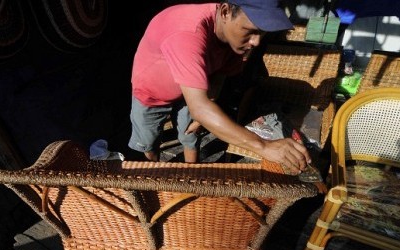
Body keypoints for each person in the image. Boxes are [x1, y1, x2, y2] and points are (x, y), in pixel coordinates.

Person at [128, 0, 311, 174]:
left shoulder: (234, 40)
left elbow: (219, 75)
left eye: (262, 32)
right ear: (225, 12)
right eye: (251, 31)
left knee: (191, 136)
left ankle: (194, 177)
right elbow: (200, 108)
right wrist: (263, 145)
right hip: (152, 94)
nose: (256, 41)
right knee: (149, 142)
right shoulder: (187, 33)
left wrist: (205, 113)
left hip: (190, 93)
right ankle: (155, 174)